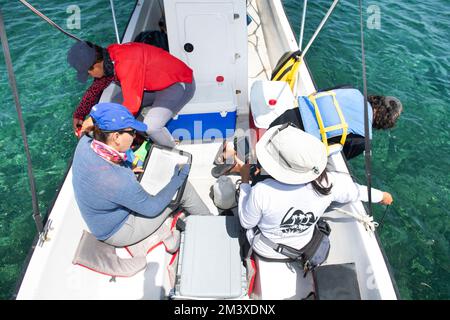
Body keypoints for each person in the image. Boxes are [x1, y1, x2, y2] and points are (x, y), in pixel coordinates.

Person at [237, 123, 393, 260]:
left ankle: (236, 165)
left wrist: (244, 181)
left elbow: (246, 222)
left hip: (266, 249)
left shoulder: (262, 191)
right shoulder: (328, 182)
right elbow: (356, 191)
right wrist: (382, 196)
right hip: (302, 248)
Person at [72, 102, 210, 247]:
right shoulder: (119, 180)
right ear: (116, 137)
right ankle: (210, 224)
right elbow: (152, 208)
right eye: (131, 132)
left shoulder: (85, 142)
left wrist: (129, 171)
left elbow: (90, 124)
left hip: (105, 212)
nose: (135, 135)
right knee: (183, 188)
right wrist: (177, 180)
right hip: (119, 229)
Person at [67, 41, 195, 147]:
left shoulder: (126, 62)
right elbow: (96, 88)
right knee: (115, 103)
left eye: (88, 73)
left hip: (178, 84)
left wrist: (94, 119)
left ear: (95, 66)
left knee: (151, 127)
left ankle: (173, 153)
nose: (89, 76)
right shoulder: (109, 58)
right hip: (155, 87)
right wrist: (80, 113)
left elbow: (131, 107)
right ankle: (147, 139)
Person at [269, 87, 403, 159]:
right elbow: (336, 155)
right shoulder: (363, 138)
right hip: (292, 147)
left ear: (377, 99)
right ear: (385, 123)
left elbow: (320, 93)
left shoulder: (352, 90)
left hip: (281, 121)